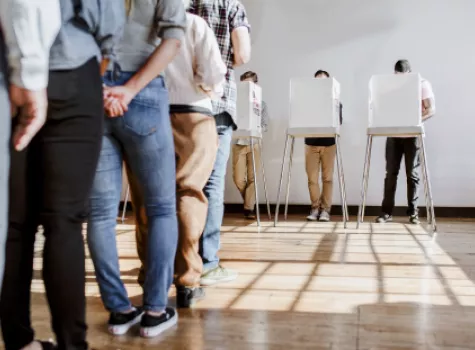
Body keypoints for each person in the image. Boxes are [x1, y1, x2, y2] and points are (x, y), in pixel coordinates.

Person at [0, 0, 125, 349]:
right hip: (73, 68)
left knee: (14, 225)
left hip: (7, 74)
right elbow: (109, 16)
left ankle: (19, 342)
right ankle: (72, 344)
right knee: (64, 222)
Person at [86, 0, 186, 338]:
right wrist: (129, 89)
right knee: (160, 208)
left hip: (95, 93)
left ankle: (119, 310)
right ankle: (155, 311)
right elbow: (172, 39)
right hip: (142, 93)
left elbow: (75, 34)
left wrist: (99, 89)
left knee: (100, 214)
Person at [376, 59, 436, 224]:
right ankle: (386, 213)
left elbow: (431, 109)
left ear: (410, 74)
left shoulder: (422, 84)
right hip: (394, 134)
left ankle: (413, 212)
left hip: (412, 134)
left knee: (412, 174)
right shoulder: (391, 86)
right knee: (390, 175)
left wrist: (415, 120)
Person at [305, 70, 342, 222]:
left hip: (329, 144)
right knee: (312, 178)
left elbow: (338, 123)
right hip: (311, 143)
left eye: (324, 81)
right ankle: (315, 208)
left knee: (327, 178)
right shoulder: (307, 102)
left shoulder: (336, 103)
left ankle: (325, 210)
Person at [232, 71, 269, 220]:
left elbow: (265, 125)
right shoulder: (234, 101)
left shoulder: (262, 104)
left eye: (249, 84)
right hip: (239, 142)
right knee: (238, 178)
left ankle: (249, 208)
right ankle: (249, 201)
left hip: (255, 143)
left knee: (253, 178)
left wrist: (255, 128)